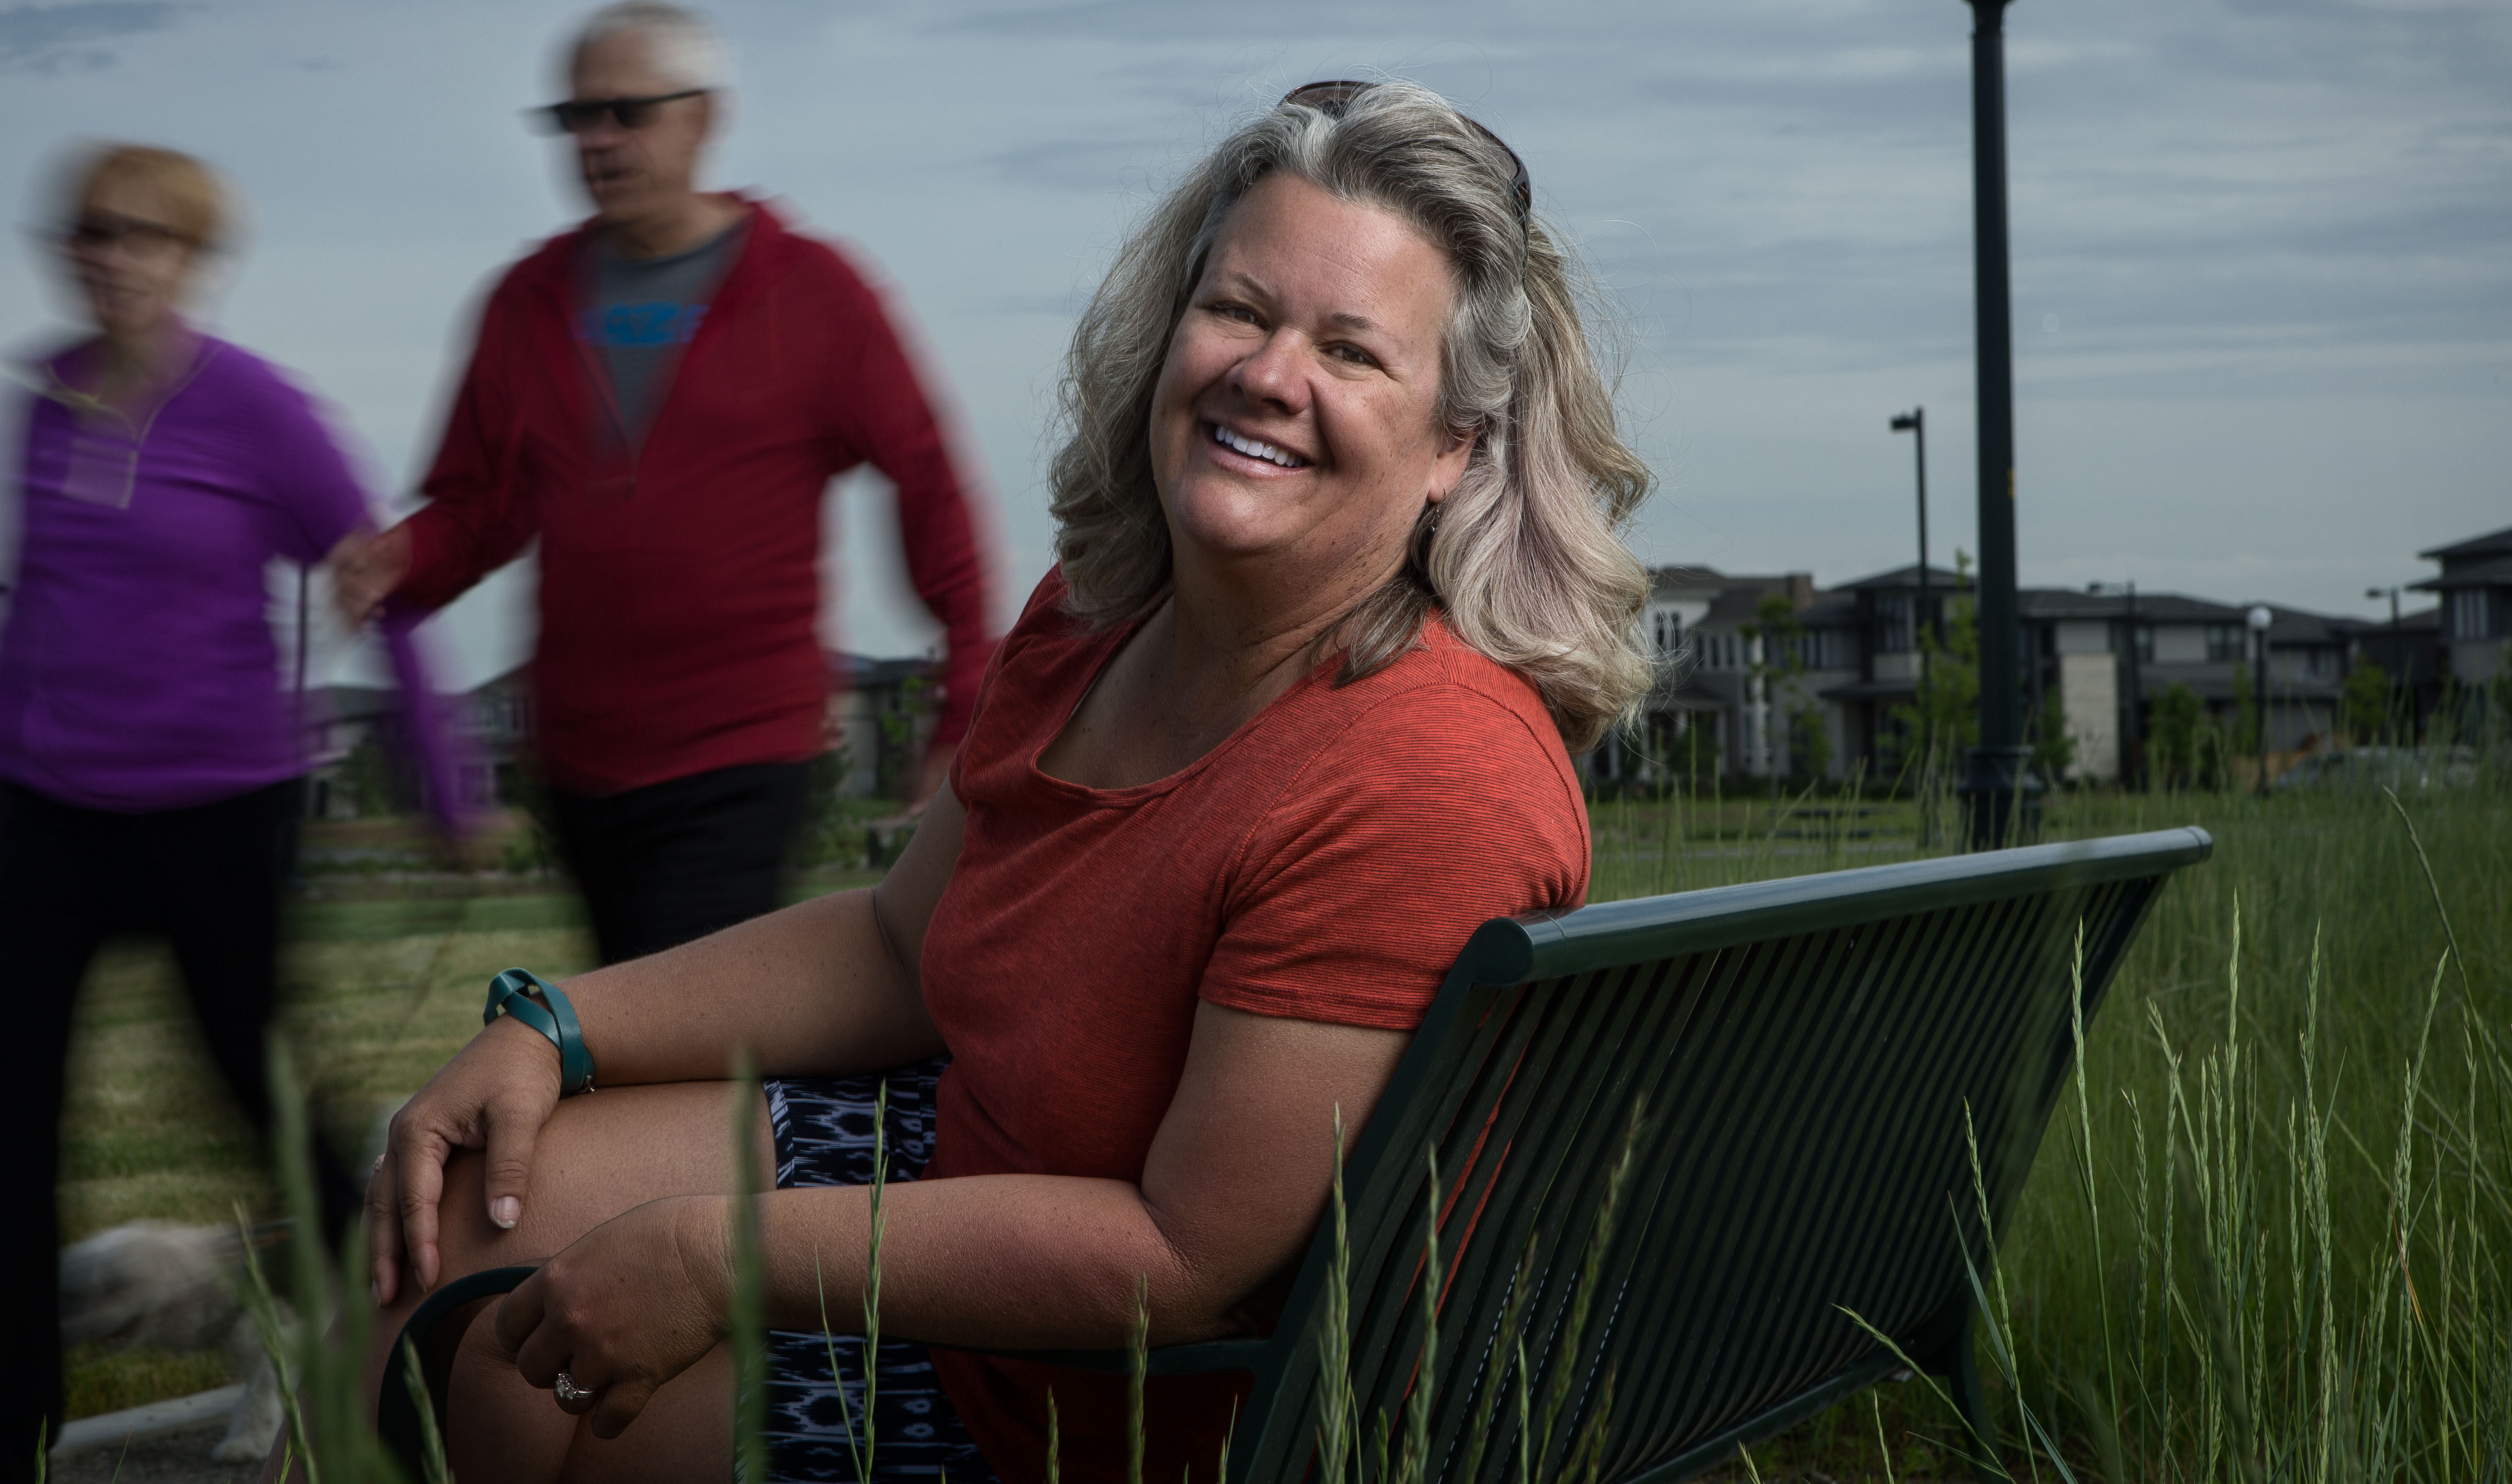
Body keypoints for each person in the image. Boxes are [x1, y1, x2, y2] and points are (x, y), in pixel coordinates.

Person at [361, 80, 1654, 1484]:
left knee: (515, 1376)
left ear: (1455, 447)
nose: (1271, 375)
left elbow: (1191, 1265)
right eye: (1239, 309)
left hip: (1122, 1399)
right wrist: (551, 1024)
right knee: (441, 1226)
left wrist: (710, 1252)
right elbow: (893, 945)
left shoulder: (1421, 773)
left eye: (1352, 350)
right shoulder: (1104, 608)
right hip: (966, 1164)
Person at [0, 144, 460, 1484]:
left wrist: (447, 778)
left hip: (218, 813)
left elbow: (380, 579)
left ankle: (420, 1382)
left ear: (190, 259)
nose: (107, 253)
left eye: (140, 235)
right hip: (53, 811)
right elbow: (23, 605)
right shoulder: (40, 405)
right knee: (8, 1129)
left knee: (272, 1113)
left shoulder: (256, 411)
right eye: (88, 233)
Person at [333, 0, 994, 965]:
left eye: (626, 113)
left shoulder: (812, 291)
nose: (596, 141)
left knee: (677, 1037)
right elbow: (484, 508)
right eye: (575, 118)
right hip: (577, 761)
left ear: (702, 117)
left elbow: (928, 479)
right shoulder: (525, 304)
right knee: (631, 1026)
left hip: (742, 752)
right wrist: (401, 559)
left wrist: (966, 688)